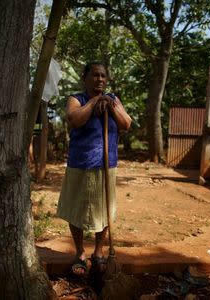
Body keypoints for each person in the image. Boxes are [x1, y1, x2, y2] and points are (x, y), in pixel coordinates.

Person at [56, 61, 132, 276]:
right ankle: (80, 253)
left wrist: (110, 106)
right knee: (75, 209)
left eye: (103, 76)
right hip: (80, 163)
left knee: (105, 210)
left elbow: (126, 124)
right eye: (95, 75)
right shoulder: (76, 99)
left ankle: (98, 253)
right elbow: (74, 119)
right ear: (85, 78)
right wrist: (95, 101)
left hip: (107, 164)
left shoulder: (114, 99)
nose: (100, 79)